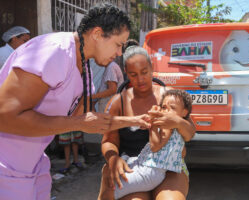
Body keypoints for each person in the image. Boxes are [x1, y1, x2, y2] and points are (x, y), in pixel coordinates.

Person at [0, 4, 151, 200]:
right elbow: (5, 116)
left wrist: (137, 121)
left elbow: (90, 121)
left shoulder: (83, 66)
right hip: (6, 165)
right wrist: (78, 123)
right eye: (118, 44)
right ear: (97, 34)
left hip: (32, 164)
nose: (120, 53)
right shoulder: (54, 51)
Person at [98, 46, 196, 200]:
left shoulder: (170, 97)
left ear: (152, 68)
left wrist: (177, 122)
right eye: (133, 74)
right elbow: (108, 141)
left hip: (170, 168)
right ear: (126, 74)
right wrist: (113, 159)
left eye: (144, 72)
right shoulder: (119, 102)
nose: (140, 79)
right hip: (133, 168)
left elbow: (190, 133)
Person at [102, 89, 192, 199]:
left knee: (110, 191)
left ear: (184, 112)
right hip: (146, 167)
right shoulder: (118, 101)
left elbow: (155, 146)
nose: (166, 110)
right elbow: (108, 140)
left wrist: (153, 126)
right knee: (110, 180)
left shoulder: (168, 124)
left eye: (172, 108)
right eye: (163, 107)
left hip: (150, 171)